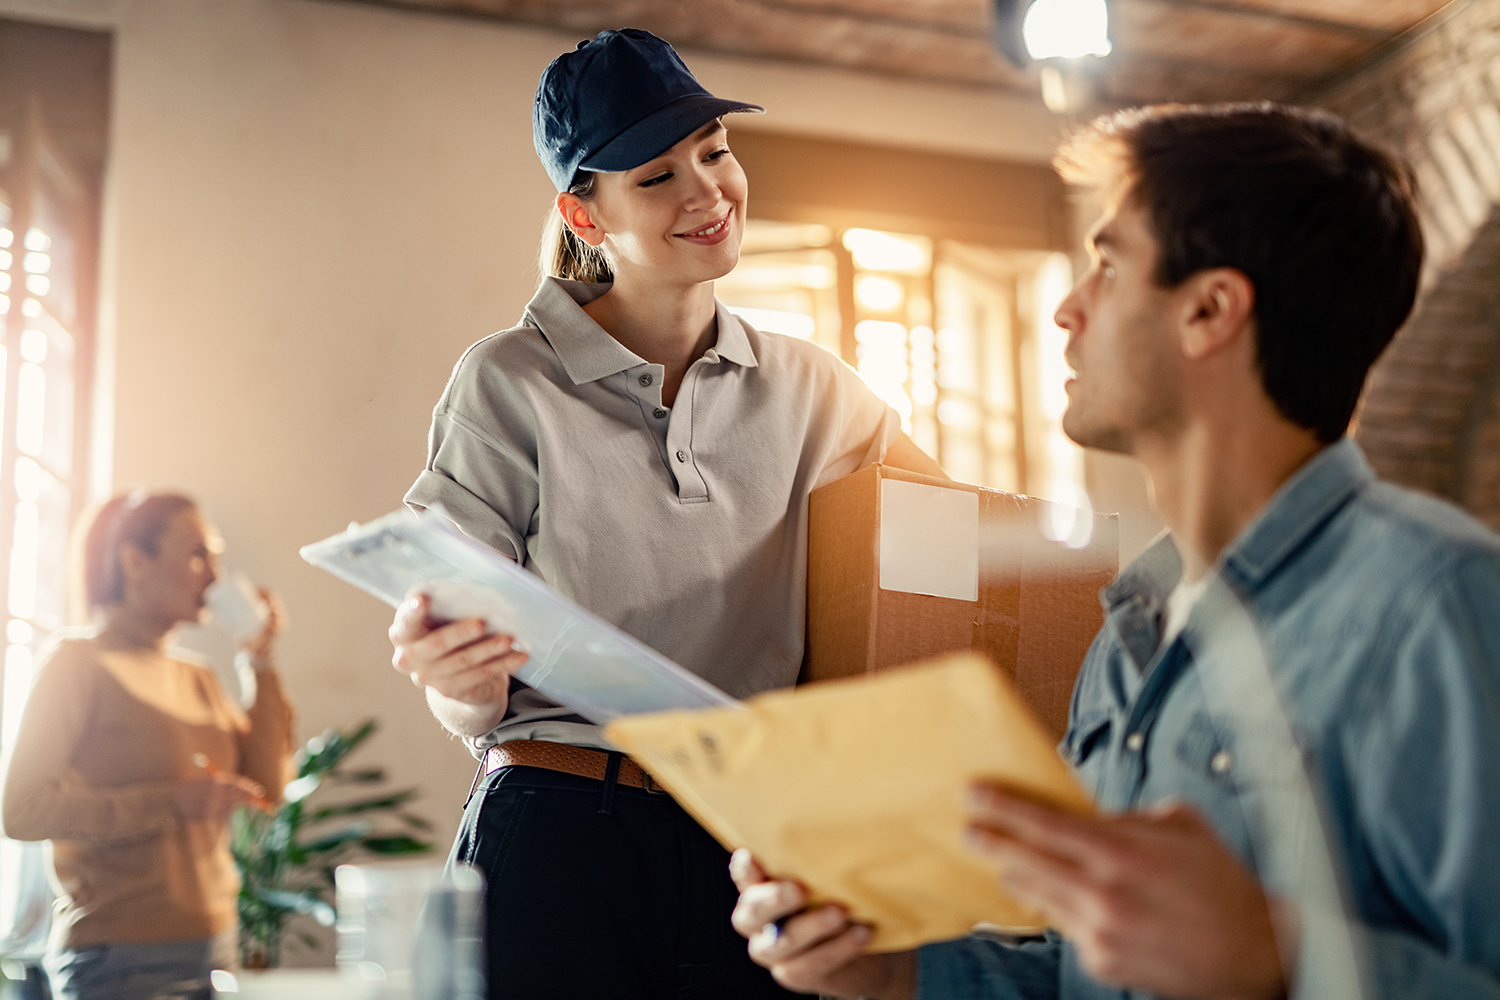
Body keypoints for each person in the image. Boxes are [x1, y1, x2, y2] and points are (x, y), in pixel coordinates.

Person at [730, 102, 1500, 999]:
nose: (1065, 309)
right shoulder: (1134, 629)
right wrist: (896, 970)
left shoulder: (1439, 604)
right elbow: (1088, 973)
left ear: (1209, 310)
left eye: (1107, 264)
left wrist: (1282, 960)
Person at [386, 27, 944, 1000]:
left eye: (716, 153)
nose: (707, 191)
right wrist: (456, 677)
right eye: (657, 176)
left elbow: (962, 554)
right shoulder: (509, 380)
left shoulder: (819, 389)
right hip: (562, 827)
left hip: (752, 844)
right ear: (584, 213)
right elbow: (463, 687)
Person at [0, 491, 295, 1000]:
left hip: (214, 948)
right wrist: (173, 802)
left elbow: (269, 785)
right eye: (199, 554)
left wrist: (260, 660)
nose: (215, 576)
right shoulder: (76, 663)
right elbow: (22, 811)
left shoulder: (198, 677)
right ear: (135, 561)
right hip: (116, 961)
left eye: (218, 558)